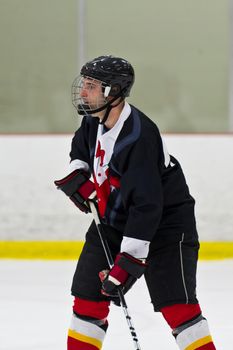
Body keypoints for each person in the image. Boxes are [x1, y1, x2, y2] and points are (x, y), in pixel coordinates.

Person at [55, 55, 216, 349]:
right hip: (114, 219)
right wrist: (78, 174)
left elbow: (147, 206)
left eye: (91, 85)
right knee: (88, 299)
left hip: (166, 226)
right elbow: (81, 147)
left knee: (178, 308)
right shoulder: (94, 119)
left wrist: (128, 261)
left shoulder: (139, 137)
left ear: (112, 92)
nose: (82, 91)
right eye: (84, 84)